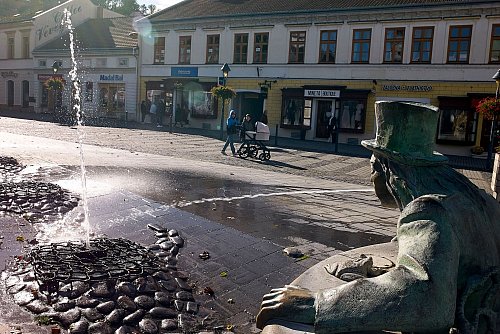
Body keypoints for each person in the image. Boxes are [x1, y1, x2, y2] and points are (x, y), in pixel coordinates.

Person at [256, 101, 500, 334]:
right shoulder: (478, 197)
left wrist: (315, 305)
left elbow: (426, 299)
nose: (371, 178)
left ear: (387, 170)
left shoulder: (429, 211)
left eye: (372, 167)